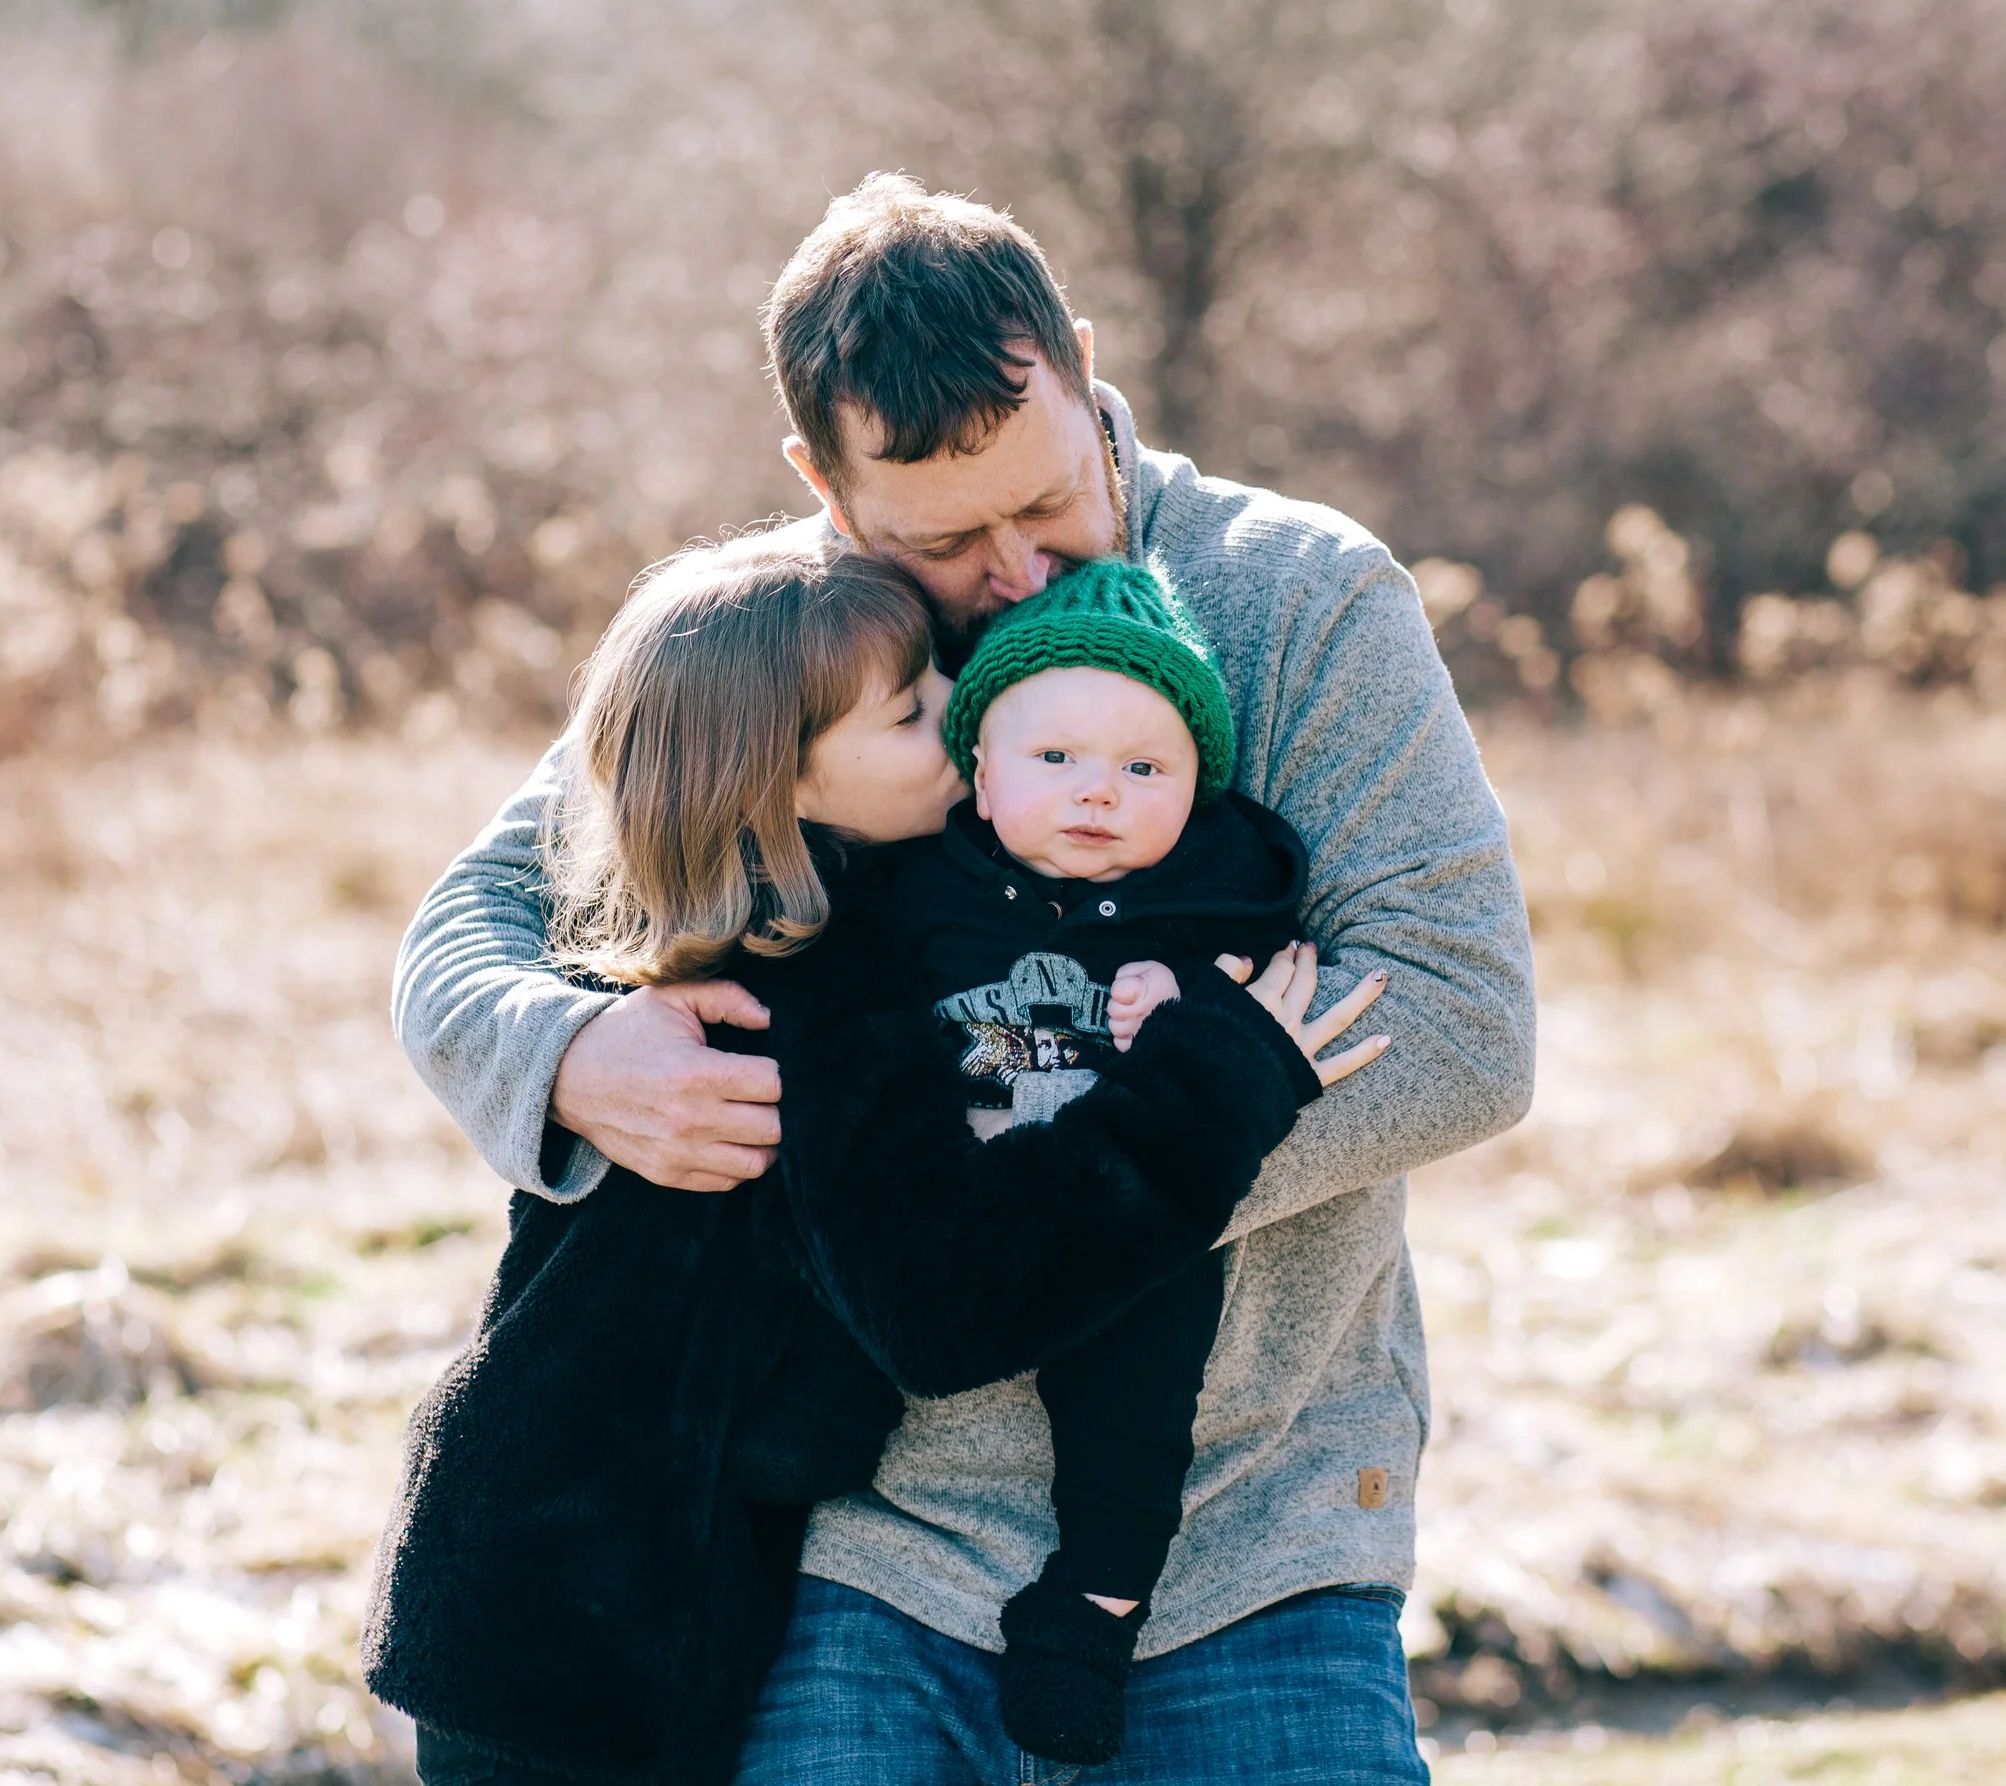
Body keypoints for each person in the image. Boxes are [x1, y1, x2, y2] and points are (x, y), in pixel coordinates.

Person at [392, 174, 1537, 1784]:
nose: (1011, 569)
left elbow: (1466, 1020)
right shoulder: (796, 637)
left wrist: (1050, 1191)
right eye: (942, 537)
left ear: (1077, 365)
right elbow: (466, 930)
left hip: (1255, 1531)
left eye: (1047, 501)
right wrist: (577, 1055)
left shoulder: (1304, 599)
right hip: (869, 1546)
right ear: (823, 481)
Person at [362, 531, 1384, 1786]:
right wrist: (1222, 1077)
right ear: (779, 782)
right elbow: (955, 1303)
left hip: (558, 1595)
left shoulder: (718, 924)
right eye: (910, 713)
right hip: (580, 1655)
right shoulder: (802, 993)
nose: (961, 708)